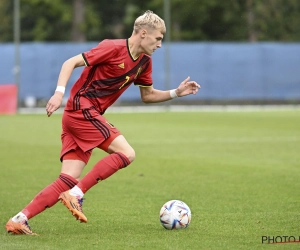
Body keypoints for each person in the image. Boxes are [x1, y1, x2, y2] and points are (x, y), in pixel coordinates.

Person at [5, 10, 200, 235]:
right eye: (158, 39)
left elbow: (148, 96)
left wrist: (176, 92)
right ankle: (77, 194)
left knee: (68, 178)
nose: (159, 45)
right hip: (81, 109)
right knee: (127, 153)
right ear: (144, 34)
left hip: (80, 115)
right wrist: (59, 93)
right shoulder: (112, 47)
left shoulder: (144, 62)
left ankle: (19, 219)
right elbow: (71, 62)